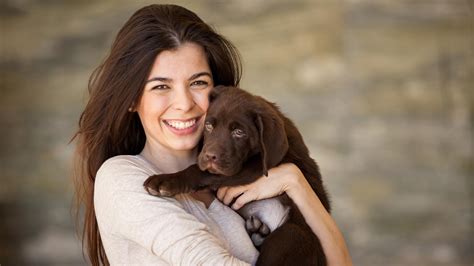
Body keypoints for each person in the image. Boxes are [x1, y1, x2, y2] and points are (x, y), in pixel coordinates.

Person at [73, 4, 352, 266]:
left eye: (198, 82)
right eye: (161, 87)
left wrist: (296, 183)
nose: (183, 104)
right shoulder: (122, 179)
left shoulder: (241, 175)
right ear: (132, 99)